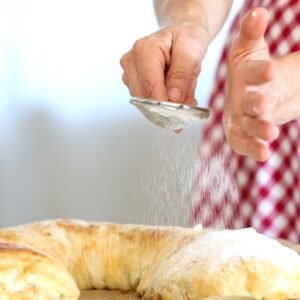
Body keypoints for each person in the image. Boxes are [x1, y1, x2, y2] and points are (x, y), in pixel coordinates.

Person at [120, 0, 300, 242]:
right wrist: (188, 19)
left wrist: (290, 81)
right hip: (249, 81)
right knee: (237, 267)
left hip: (271, 86)